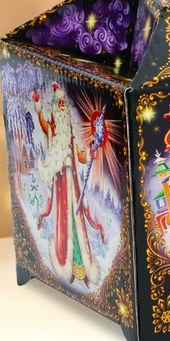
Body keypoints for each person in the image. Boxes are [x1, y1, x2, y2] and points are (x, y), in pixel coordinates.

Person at [32, 82, 103, 287]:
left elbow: (81, 156)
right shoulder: (53, 133)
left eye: (63, 103)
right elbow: (44, 125)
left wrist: (90, 153)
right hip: (61, 181)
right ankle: (67, 263)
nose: (62, 106)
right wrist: (38, 107)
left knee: (77, 218)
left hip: (74, 183)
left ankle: (82, 265)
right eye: (59, 103)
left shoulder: (69, 136)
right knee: (65, 218)